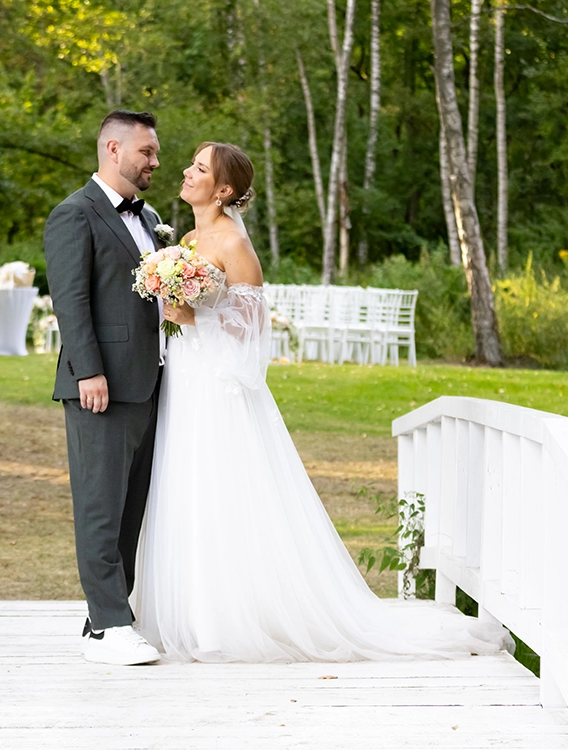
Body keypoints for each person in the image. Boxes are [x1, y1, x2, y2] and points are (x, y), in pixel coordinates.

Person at [131, 142, 513, 662]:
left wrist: (191, 317)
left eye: (199, 167)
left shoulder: (233, 243)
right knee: (187, 484)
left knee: (223, 486)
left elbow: (252, 330)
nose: (185, 170)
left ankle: (232, 620)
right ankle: (196, 613)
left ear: (223, 189)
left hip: (220, 389)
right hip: (188, 379)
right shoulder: (192, 238)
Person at [43, 110, 167, 666]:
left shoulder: (152, 217)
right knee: (100, 505)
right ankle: (112, 622)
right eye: (147, 152)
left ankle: (105, 620)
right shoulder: (74, 214)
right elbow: (71, 301)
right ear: (113, 150)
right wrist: (89, 370)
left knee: (131, 508)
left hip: (152, 381)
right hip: (102, 384)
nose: (155, 163)